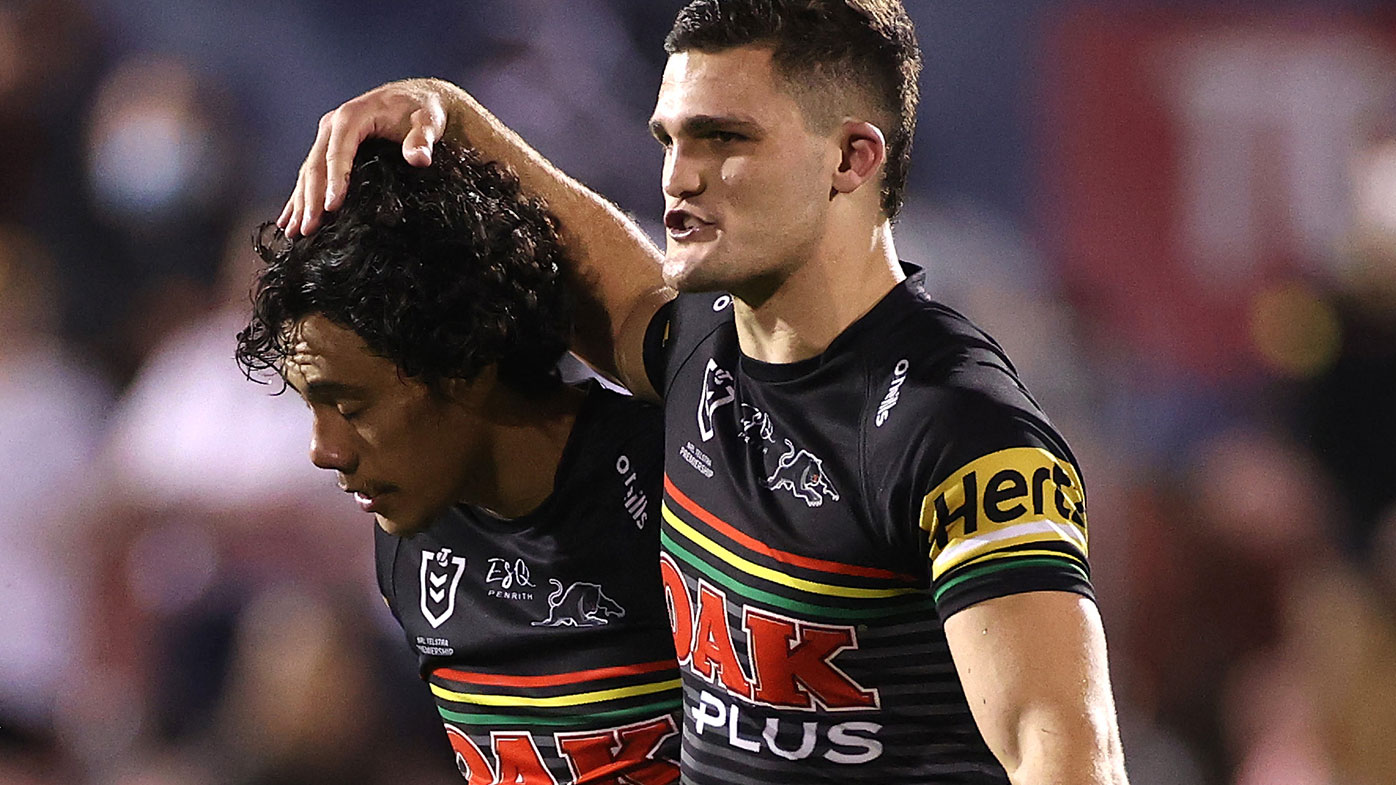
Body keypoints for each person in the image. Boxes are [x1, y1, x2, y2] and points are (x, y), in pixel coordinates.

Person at [279, 2, 1130, 783]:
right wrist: (447, 113)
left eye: (725, 140)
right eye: (670, 141)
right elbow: (599, 278)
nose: (679, 177)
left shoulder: (953, 424)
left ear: (851, 157)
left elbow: (1061, 748)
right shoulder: (699, 355)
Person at [237, 139, 681, 784]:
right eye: (311, 408)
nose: (323, 452)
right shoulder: (409, 544)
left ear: (465, 362)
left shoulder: (680, 479)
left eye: (352, 406)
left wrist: (458, 115)